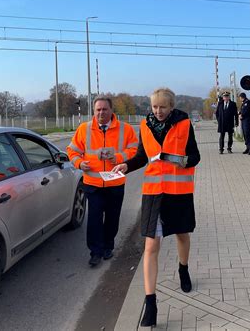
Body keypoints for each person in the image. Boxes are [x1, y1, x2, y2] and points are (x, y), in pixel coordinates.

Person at [112, 88, 200, 328]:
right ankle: (150, 303)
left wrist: (182, 160)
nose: (158, 111)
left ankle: (183, 269)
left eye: (162, 107)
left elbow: (195, 156)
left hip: (178, 193)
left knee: (183, 235)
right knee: (151, 245)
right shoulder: (145, 126)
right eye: (154, 107)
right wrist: (125, 166)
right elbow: (142, 156)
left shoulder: (183, 124)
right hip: (153, 194)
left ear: (171, 106)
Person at [67, 96, 138, 267]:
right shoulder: (84, 129)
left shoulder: (125, 129)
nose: (101, 112)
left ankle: (108, 247)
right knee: (94, 220)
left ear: (111, 110)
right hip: (93, 184)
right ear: (93, 111)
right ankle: (95, 252)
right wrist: (79, 163)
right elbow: (72, 151)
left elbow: (135, 150)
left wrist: (119, 157)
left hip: (115, 183)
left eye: (104, 109)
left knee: (112, 219)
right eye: (98, 109)